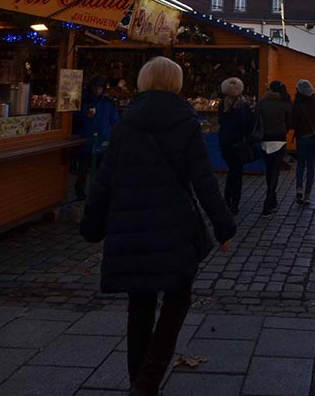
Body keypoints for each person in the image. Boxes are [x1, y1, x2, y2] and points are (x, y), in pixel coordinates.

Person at [80, 57, 236, 396]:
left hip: (131, 224)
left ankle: (141, 381)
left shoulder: (126, 123)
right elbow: (204, 180)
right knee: (177, 298)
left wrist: (92, 226)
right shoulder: (186, 121)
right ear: (176, 83)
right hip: (173, 226)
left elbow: (104, 180)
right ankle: (147, 381)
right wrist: (224, 226)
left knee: (140, 304)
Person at [72, 76, 121, 200]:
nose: (97, 90)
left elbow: (114, 120)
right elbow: (75, 118)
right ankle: (81, 192)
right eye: (95, 87)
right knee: (83, 169)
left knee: (101, 169)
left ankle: (97, 193)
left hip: (103, 139)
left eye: (99, 88)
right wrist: (85, 116)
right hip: (87, 139)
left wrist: (111, 135)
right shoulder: (84, 101)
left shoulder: (108, 103)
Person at [218, 77, 255, 214]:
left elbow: (221, 122)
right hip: (238, 144)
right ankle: (234, 204)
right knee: (236, 174)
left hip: (226, 144)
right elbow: (248, 125)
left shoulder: (222, 105)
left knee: (231, 172)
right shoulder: (243, 106)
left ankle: (227, 200)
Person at [256, 80, 293, 215]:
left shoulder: (262, 102)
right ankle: (269, 202)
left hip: (265, 139)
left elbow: (256, 119)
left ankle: (272, 200)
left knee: (269, 171)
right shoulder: (285, 103)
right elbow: (290, 123)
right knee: (274, 172)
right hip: (279, 139)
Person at [293, 79, 315, 204]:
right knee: (311, 166)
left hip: (301, 136)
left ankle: (299, 188)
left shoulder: (297, 103)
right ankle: (308, 194)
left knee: (300, 165)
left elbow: (294, 121)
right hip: (313, 136)